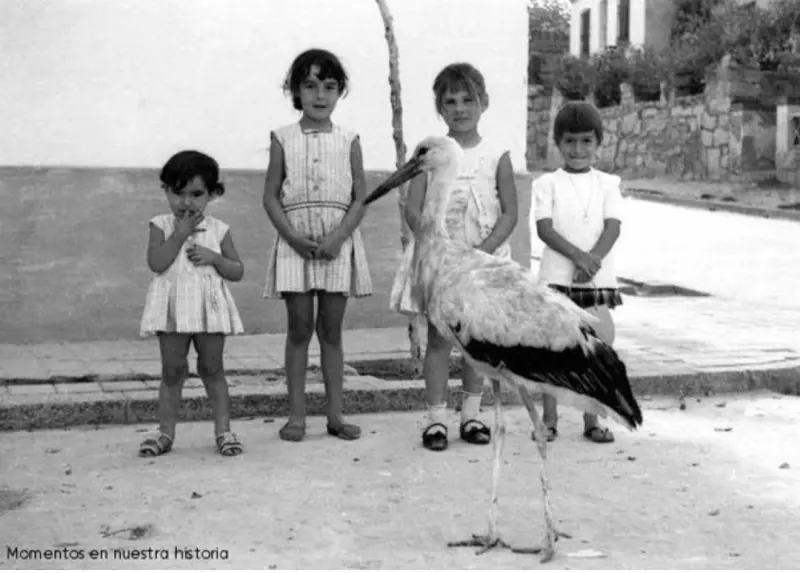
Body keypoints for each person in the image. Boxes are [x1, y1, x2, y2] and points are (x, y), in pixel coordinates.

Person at [392, 62, 519, 451]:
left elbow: (510, 212)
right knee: (438, 341)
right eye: (451, 101)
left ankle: (472, 416)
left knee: (476, 344)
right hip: (441, 265)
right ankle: (435, 421)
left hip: (482, 264)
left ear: (485, 103)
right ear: (440, 108)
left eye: (469, 99)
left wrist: (480, 254)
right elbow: (412, 209)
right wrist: (439, 249)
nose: (460, 108)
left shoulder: (497, 155)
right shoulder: (431, 152)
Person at [262, 48, 372, 442]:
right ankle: (295, 416)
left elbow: (360, 197)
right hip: (296, 242)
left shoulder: (349, 140)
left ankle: (336, 416)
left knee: (331, 330)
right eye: (310, 86)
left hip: (336, 242)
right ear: (295, 90)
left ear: (340, 91)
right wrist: (291, 236)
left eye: (329, 86)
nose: (320, 95)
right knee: (299, 328)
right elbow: (271, 196)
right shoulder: (281, 138)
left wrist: (339, 236)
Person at [139, 150, 245, 457]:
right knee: (172, 371)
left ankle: (224, 431)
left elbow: (237, 271)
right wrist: (179, 235)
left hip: (209, 311)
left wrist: (214, 258)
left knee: (212, 369)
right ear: (166, 190)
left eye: (197, 194)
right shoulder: (160, 224)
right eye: (178, 193)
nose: (187, 202)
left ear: (212, 194)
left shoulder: (219, 229)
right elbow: (157, 263)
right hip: (172, 311)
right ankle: (165, 433)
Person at [530, 100, 624, 444]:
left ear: (598, 144)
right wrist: (578, 258)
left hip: (596, 280)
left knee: (597, 351)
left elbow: (612, 228)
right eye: (569, 141)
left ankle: (594, 420)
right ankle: (549, 420)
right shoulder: (547, 184)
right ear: (558, 143)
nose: (578, 149)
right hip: (556, 279)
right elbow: (544, 229)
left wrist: (593, 261)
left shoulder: (608, 185)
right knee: (554, 352)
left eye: (586, 141)